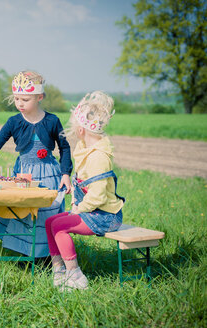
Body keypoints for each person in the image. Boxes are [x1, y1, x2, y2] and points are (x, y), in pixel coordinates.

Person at [0, 71, 72, 261]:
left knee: (44, 214)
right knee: (23, 213)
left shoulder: (52, 121)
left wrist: (65, 173)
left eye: (25, 99)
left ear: (40, 97)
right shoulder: (14, 122)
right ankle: (24, 255)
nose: (20, 103)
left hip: (49, 174)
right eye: (17, 99)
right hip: (24, 175)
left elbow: (65, 148)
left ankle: (46, 258)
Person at [45, 91, 125, 290]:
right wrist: (75, 201)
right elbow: (83, 183)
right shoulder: (85, 149)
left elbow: (97, 196)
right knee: (50, 222)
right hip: (92, 211)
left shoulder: (98, 157)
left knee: (60, 226)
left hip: (105, 216)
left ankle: (75, 276)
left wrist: (78, 209)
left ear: (81, 130)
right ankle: (59, 272)